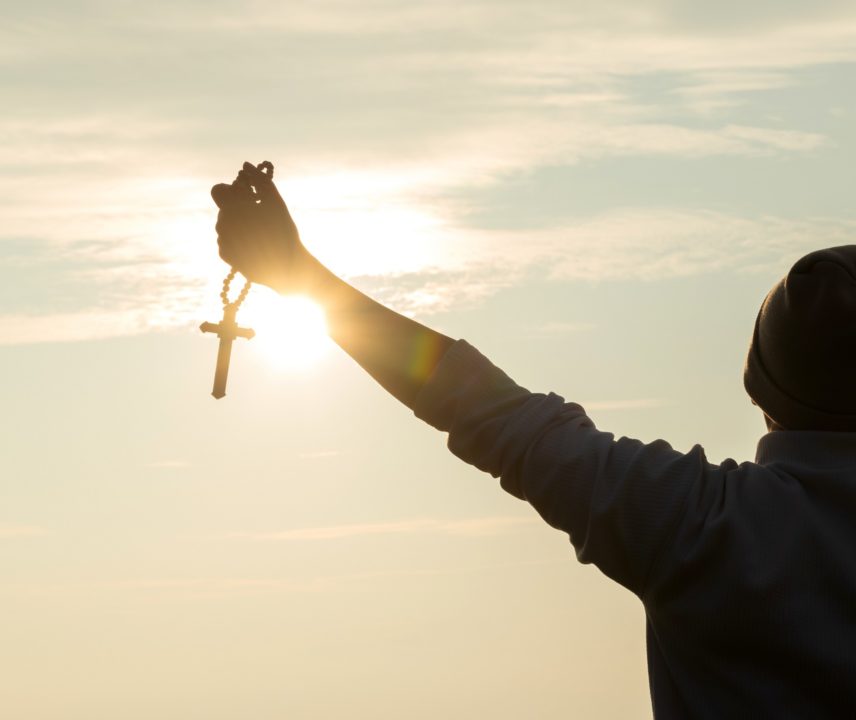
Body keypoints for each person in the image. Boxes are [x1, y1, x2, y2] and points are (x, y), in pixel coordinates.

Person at [212, 161, 856, 718]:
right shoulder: (696, 522)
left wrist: (302, 276)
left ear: (762, 393)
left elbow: (483, 408)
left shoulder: (693, 526)